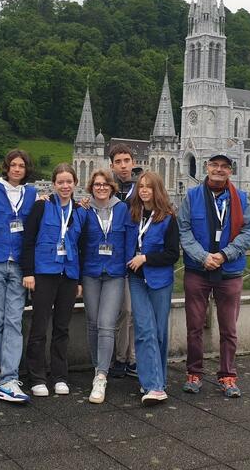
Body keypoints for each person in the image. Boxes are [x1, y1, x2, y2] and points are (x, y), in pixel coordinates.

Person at [179, 152, 250, 398]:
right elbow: (184, 230)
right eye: (214, 165)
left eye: (224, 166)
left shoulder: (241, 199)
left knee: (229, 328)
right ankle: (194, 372)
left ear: (230, 171)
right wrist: (203, 257)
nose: (219, 169)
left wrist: (224, 255)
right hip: (197, 270)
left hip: (230, 270)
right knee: (194, 326)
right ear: (206, 167)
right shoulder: (191, 196)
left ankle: (228, 375)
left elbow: (248, 232)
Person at [21, 163, 86, 397]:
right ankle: (37, 376)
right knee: (39, 326)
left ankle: (60, 375)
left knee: (62, 328)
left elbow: (81, 247)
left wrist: (78, 280)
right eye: (61, 182)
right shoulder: (42, 206)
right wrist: (28, 272)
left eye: (69, 181)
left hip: (68, 275)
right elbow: (28, 239)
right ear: (54, 184)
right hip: (44, 273)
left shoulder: (80, 211)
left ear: (75, 183)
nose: (65, 186)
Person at [0, 149, 37, 403]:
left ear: (26, 169)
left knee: (15, 319)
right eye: (13, 165)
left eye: (21, 165)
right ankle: (8, 376)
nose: (16, 169)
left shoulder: (32, 193)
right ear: (6, 167)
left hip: (19, 264)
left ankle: (8, 378)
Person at [125, 171, 180, 406]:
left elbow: (172, 255)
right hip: (137, 280)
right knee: (144, 330)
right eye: (141, 186)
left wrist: (146, 258)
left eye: (149, 187)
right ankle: (154, 386)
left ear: (157, 190)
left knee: (158, 332)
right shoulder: (132, 214)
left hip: (160, 280)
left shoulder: (168, 218)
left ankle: (158, 381)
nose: (144, 190)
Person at [80, 169, 129, 404]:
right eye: (97, 184)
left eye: (105, 184)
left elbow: (131, 239)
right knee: (92, 323)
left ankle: (102, 376)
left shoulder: (122, 209)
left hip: (115, 273)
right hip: (90, 271)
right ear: (92, 187)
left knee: (106, 324)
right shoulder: (84, 210)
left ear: (112, 187)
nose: (101, 187)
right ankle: (97, 366)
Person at [108, 143, 138, 378]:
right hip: (110, 260)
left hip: (136, 259)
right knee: (121, 312)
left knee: (130, 311)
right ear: (112, 165)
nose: (123, 165)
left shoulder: (141, 189)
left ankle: (128, 359)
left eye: (126, 160)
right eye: (118, 162)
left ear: (133, 163)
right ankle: (121, 358)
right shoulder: (104, 189)